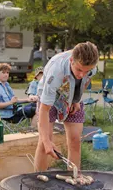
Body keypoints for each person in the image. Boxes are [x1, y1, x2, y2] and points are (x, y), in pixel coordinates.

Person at [34, 41, 99, 174]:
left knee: (75, 140)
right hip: (51, 96)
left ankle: (73, 179)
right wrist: (46, 141)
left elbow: (84, 82)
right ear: (71, 61)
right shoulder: (56, 72)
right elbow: (44, 109)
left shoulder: (91, 69)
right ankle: (38, 180)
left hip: (71, 95)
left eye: (86, 71)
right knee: (44, 141)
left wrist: (76, 99)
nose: (82, 74)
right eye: (79, 69)